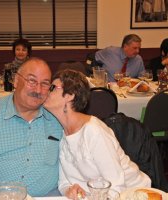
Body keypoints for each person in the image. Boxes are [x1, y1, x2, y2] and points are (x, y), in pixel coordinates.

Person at [44, 69, 151, 200]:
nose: (46, 91)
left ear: (70, 95)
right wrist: (69, 190)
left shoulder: (94, 131)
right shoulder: (62, 134)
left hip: (133, 194)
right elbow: (63, 182)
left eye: (52, 88)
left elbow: (116, 187)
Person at [0, 57, 63, 198]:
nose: (38, 89)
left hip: (47, 196)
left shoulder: (58, 117)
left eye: (45, 84)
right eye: (31, 81)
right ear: (16, 81)